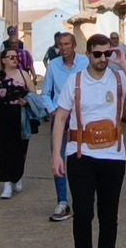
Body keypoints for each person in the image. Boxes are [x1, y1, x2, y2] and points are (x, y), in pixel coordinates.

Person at [51, 33, 126, 248]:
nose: (102, 58)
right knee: (83, 214)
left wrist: (124, 64)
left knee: (109, 216)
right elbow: (61, 117)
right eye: (97, 54)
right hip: (80, 155)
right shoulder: (75, 81)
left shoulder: (119, 79)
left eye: (107, 53)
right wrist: (56, 154)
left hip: (113, 156)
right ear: (88, 54)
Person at [0, 48, 36, 199]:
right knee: (4, 149)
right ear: (3, 60)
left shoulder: (24, 75)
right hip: (0, 117)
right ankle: (7, 182)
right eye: (10, 57)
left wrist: (26, 101)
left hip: (20, 117)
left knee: (20, 149)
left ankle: (17, 175)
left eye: (16, 57)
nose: (14, 59)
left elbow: (34, 96)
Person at [43, 31, 88, 222]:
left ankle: (83, 199)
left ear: (74, 45)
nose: (63, 48)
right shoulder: (53, 66)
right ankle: (62, 201)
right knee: (58, 158)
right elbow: (45, 93)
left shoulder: (85, 63)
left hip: (82, 117)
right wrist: (55, 111)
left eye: (67, 44)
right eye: (60, 44)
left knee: (83, 157)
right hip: (60, 116)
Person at [109, 32, 126, 123]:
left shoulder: (124, 48)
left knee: (124, 93)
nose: (114, 40)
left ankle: (125, 114)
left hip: (123, 74)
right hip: (110, 74)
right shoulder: (107, 49)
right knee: (112, 94)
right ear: (110, 39)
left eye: (116, 38)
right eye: (113, 38)